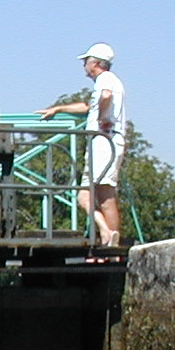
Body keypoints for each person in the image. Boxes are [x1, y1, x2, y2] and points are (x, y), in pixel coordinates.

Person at [37, 43, 126, 247]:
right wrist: (58, 109)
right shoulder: (108, 81)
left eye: (86, 62)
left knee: (101, 194)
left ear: (95, 63)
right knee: (92, 194)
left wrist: (103, 118)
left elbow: (105, 97)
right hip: (106, 140)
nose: (84, 66)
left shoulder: (105, 80)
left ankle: (110, 238)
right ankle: (108, 233)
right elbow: (88, 106)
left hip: (104, 140)